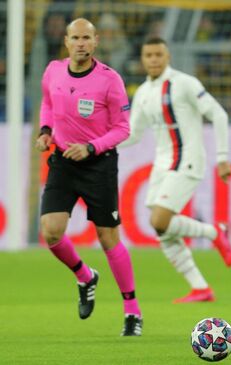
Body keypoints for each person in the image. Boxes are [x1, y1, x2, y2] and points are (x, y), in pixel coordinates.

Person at [36, 18, 142, 336]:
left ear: (96, 42)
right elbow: (46, 103)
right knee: (51, 232)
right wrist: (45, 132)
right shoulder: (52, 71)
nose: (80, 43)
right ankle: (84, 276)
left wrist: (91, 148)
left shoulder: (110, 80)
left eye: (86, 38)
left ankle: (132, 311)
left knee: (108, 238)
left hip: (99, 164)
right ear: (66, 41)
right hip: (63, 161)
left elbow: (123, 128)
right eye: (75, 38)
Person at [119, 37, 231, 303]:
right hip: (162, 165)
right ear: (143, 58)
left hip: (188, 159)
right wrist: (99, 144)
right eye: (148, 55)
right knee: (162, 229)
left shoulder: (184, 83)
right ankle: (200, 288)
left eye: (158, 54)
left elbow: (217, 114)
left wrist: (222, 157)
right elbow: (133, 134)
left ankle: (215, 232)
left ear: (167, 56)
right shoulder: (144, 93)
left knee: (159, 220)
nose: (154, 59)